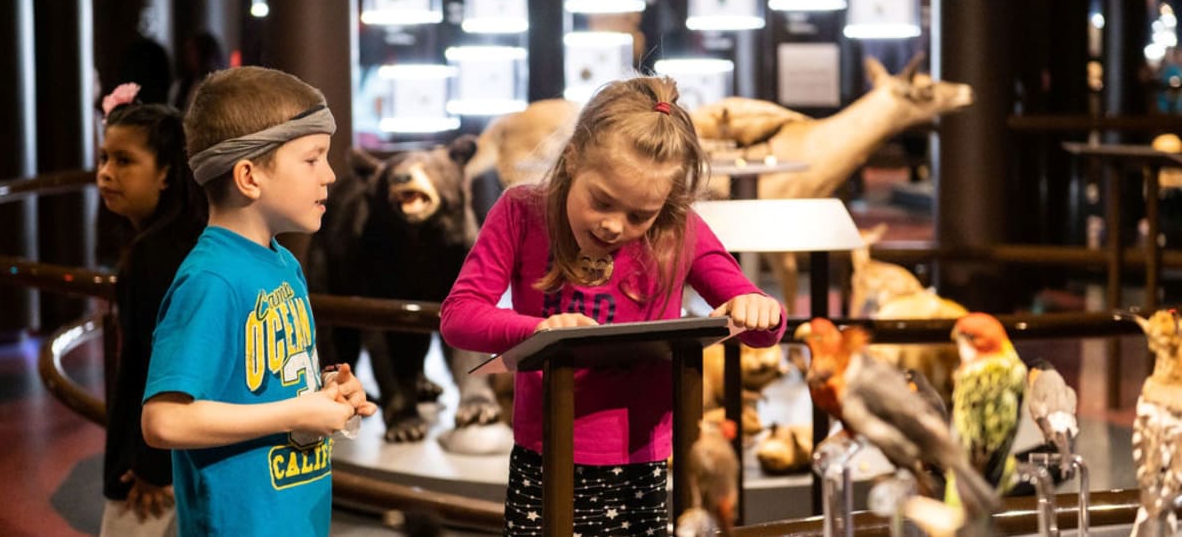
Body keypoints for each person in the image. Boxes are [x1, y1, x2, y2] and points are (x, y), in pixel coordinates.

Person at [440, 76, 785, 535]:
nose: (613, 226)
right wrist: (538, 330)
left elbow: (762, 324)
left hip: (642, 459)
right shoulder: (522, 210)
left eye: (639, 215)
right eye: (601, 201)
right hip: (546, 451)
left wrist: (757, 307)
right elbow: (460, 315)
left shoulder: (678, 230)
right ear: (572, 160)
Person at [141, 66, 376, 536]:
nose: (330, 175)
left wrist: (327, 391)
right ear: (249, 176)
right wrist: (297, 413)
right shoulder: (212, 280)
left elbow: (262, 381)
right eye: (312, 159)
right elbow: (163, 420)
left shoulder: (283, 263)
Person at [97, 84, 207, 536]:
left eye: (124, 161)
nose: (105, 173)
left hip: (154, 466)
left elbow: (158, 365)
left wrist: (150, 465)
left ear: (167, 173)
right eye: (104, 158)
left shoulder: (155, 257)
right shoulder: (180, 244)